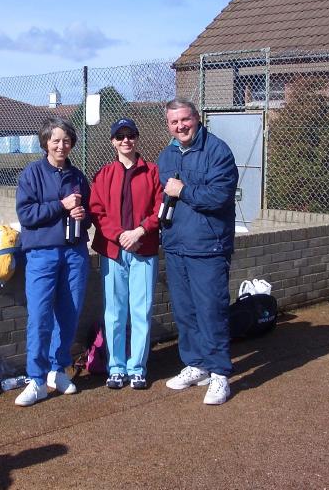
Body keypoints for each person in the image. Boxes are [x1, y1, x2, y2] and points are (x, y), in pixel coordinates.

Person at [157, 99, 238, 405]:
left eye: (185, 120)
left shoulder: (218, 151)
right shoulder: (167, 155)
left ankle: (219, 374)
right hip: (176, 246)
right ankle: (196, 364)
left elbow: (219, 196)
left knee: (211, 311)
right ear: (168, 125)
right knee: (185, 311)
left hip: (208, 247)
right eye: (174, 122)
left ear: (197, 118)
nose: (181, 126)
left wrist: (184, 191)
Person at [14, 117, 91, 406]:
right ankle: (36, 379)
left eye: (67, 140)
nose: (61, 145)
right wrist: (61, 206)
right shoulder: (31, 174)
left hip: (74, 253)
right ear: (45, 141)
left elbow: (89, 214)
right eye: (56, 140)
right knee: (40, 316)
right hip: (42, 254)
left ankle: (58, 370)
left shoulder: (78, 176)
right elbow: (27, 215)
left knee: (69, 314)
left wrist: (83, 217)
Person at [90, 118, 163, 390]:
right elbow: (97, 211)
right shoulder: (104, 174)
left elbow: (160, 208)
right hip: (113, 251)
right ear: (112, 141)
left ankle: (137, 368)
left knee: (140, 311)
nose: (125, 141)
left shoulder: (153, 172)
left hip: (143, 249)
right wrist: (120, 235)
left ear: (137, 138)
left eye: (130, 135)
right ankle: (116, 367)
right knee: (115, 312)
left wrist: (140, 232)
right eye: (119, 136)